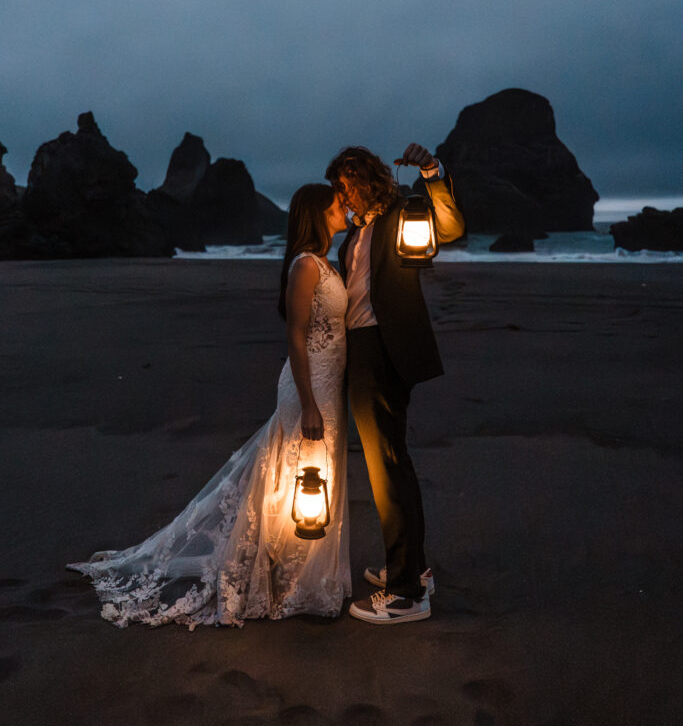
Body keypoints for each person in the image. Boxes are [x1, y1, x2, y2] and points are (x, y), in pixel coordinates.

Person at [67, 184, 351, 628]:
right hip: (309, 387)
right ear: (317, 214)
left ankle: (311, 575)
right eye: (337, 205)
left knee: (317, 475)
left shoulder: (327, 263)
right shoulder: (305, 266)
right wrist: (310, 403)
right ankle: (289, 579)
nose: (344, 208)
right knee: (299, 476)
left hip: (330, 384)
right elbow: (295, 336)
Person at [326, 143, 465, 624]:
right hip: (363, 351)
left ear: (364, 179)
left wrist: (432, 171)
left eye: (345, 186)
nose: (342, 196)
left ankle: (407, 595)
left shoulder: (401, 214)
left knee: (387, 468)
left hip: (384, 349)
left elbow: (450, 227)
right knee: (391, 463)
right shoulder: (357, 232)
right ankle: (413, 570)